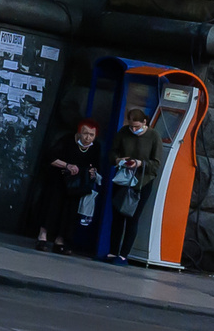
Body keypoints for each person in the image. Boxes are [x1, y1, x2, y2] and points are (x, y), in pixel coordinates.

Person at [32, 115, 110, 253]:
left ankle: (60, 241)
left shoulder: (95, 147)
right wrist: (67, 165)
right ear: (79, 132)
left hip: (76, 185)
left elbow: (95, 165)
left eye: (91, 135)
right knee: (51, 208)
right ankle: (42, 237)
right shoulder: (67, 140)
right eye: (85, 133)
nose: (88, 138)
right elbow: (50, 157)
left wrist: (92, 172)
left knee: (69, 213)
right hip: (58, 180)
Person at [105, 109, 162, 263]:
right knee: (117, 216)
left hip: (142, 182)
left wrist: (140, 163)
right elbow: (112, 153)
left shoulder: (153, 136)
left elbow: (155, 164)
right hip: (123, 179)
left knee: (133, 217)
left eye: (137, 126)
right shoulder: (124, 132)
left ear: (144, 122)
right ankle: (112, 252)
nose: (134, 129)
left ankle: (124, 254)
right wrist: (118, 160)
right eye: (131, 126)